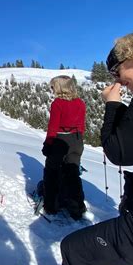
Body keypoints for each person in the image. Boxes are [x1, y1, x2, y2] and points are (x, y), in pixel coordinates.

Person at [60, 27, 133, 265]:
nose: (118, 82)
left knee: (77, 252)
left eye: (116, 72)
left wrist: (113, 105)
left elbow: (119, 151)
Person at [41, 75, 86, 220]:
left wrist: (48, 144)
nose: (52, 89)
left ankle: (52, 206)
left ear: (59, 87)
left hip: (60, 139)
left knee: (52, 173)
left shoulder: (58, 104)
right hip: (77, 139)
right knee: (72, 173)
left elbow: (53, 126)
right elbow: (82, 125)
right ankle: (77, 207)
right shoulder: (80, 102)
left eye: (53, 86)